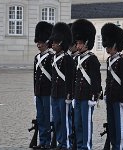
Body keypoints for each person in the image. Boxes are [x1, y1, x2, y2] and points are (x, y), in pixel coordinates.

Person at [101, 23, 123, 150]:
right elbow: (109, 79)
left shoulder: (122, 60)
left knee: (119, 126)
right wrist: (106, 94)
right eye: (106, 45)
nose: (107, 48)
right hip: (111, 97)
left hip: (119, 98)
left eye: (109, 45)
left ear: (115, 45)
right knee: (112, 126)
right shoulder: (109, 60)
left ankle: (120, 147)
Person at [71, 19, 101, 150]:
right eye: (77, 43)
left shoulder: (92, 59)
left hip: (87, 97)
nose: (78, 46)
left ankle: (86, 146)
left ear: (87, 43)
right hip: (77, 96)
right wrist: (73, 95)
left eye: (80, 43)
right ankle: (79, 145)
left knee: (86, 124)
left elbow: (96, 80)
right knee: (77, 123)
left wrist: (94, 96)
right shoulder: (76, 58)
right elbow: (74, 79)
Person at [50, 22, 74, 150]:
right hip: (55, 93)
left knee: (65, 120)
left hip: (64, 95)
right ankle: (60, 142)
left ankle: (66, 143)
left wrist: (69, 94)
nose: (52, 44)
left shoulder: (67, 59)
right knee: (57, 120)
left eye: (55, 42)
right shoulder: (54, 58)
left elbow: (70, 79)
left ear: (61, 43)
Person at [33, 21, 53, 149]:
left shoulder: (51, 57)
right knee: (40, 117)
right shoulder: (37, 57)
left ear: (46, 42)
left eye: (40, 42)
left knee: (47, 118)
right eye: (38, 42)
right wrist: (34, 92)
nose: (38, 45)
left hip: (48, 92)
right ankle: (43, 141)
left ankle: (48, 141)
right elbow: (34, 76)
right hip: (39, 92)